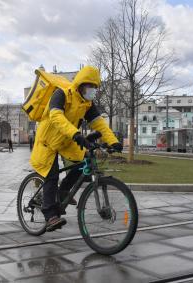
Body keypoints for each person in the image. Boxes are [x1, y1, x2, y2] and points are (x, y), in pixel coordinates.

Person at [29, 65, 123, 232]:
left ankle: (63, 191)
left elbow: (99, 123)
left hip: (67, 139)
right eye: (89, 86)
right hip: (47, 141)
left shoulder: (87, 104)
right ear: (80, 84)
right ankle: (50, 215)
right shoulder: (61, 94)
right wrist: (76, 134)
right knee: (51, 176)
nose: (92, 90)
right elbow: (56, 116)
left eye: (95, 87)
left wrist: (113, 141)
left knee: (84, 162)